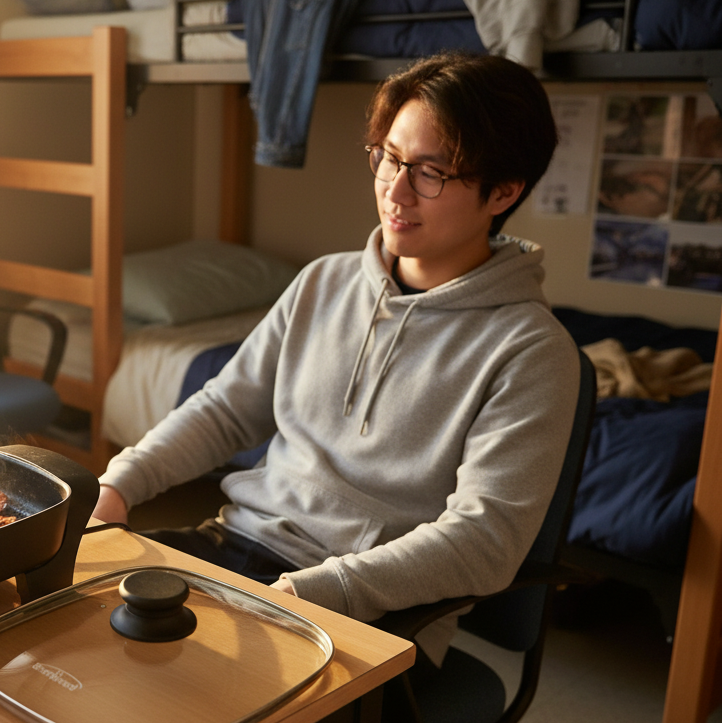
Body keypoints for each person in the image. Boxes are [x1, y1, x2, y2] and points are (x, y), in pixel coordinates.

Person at [92, 51, 580, 678]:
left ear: (504, 191)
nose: (396, 192)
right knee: (58, 636)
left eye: (431, 172)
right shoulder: (323, 282)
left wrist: (315, 592)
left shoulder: (531, 352)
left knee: (169, 720)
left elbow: (484, 545)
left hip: (367, 611)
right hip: (232, 551)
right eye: (390, 158)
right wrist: (119, 483)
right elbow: (225, 410)